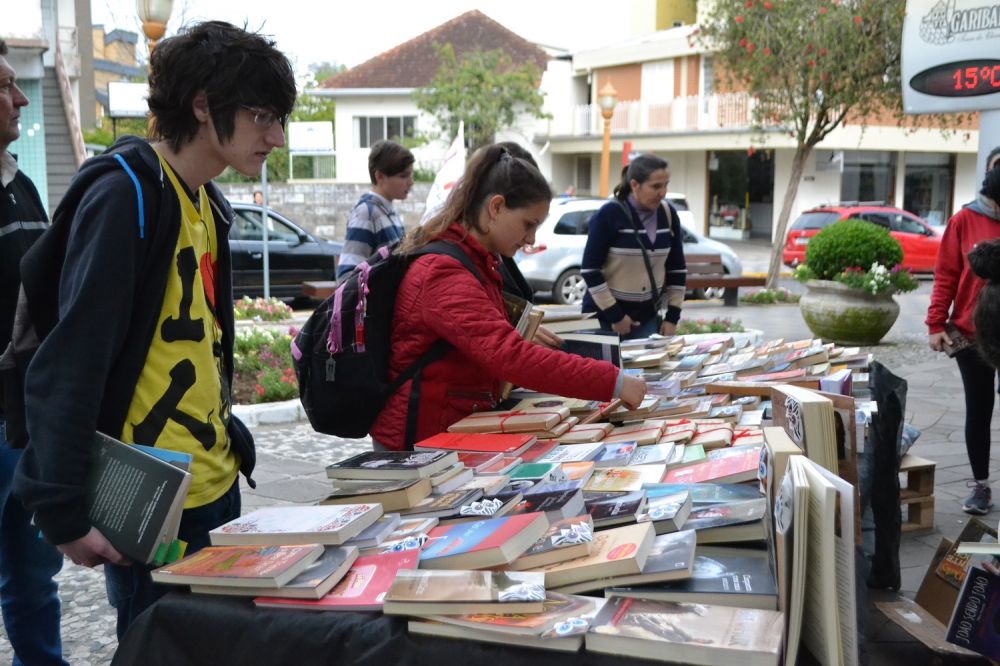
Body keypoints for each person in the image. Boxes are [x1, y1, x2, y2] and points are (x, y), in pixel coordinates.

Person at [12, 21, 295, 636]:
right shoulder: (126, 195)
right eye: (263, 116)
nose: (275, 136)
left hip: (217, 487)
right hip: (154, 507)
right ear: (202, 105)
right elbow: (72, 357)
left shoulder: (207, 201)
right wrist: (60, 509)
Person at [369, 143, 646, 451]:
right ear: (496, 207)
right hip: (418, 443)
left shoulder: (473, 259)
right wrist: (614, 382)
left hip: (443, 431)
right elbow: (510, 357)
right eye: (529, 224)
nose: (531, 239)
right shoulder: (444, 271)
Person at [0, 38, 68, 666]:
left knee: (33, 574)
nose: (20, 97)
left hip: (22, 423)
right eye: (4, 87)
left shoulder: (22, 184)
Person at [927, 148, 1000, 515]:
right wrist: (935, 323)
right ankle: (981, 486)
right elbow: (946, 275)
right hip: (974, 334)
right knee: (979, 408)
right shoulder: (964, 220)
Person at [581, 154, 687, 340]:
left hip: (646, 321)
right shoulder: (609, 214)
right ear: (634, 185)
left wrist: (672, 318)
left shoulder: (668, 214)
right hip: (604, 321)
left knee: (647, 370)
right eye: (655, 186)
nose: (662, 193)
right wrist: (616, 316)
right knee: (606, 370)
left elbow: (677, 269)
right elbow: (590, 270)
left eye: (665, 185)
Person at [336, 140, 414, 279]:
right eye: (403, 176)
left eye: (410, 175)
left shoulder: (388, 211)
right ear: (379, 176)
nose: (410, 182)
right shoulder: (366, 213)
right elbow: (346, 275)